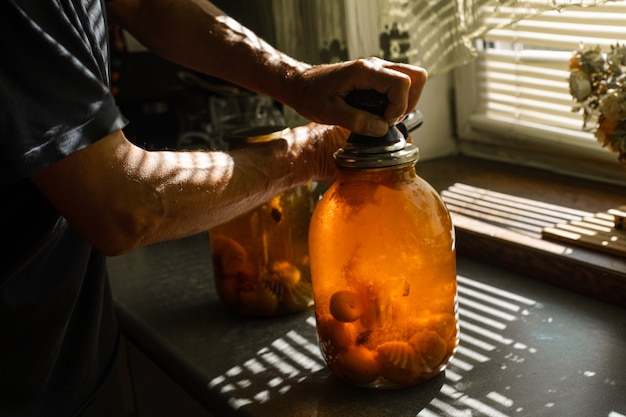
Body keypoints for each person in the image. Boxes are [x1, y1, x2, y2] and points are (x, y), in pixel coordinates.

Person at [0, 0, 428, 415]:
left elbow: (149, 6)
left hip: (77, 346)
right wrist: (307, 153)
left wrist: (299, 80)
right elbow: (119, 207)